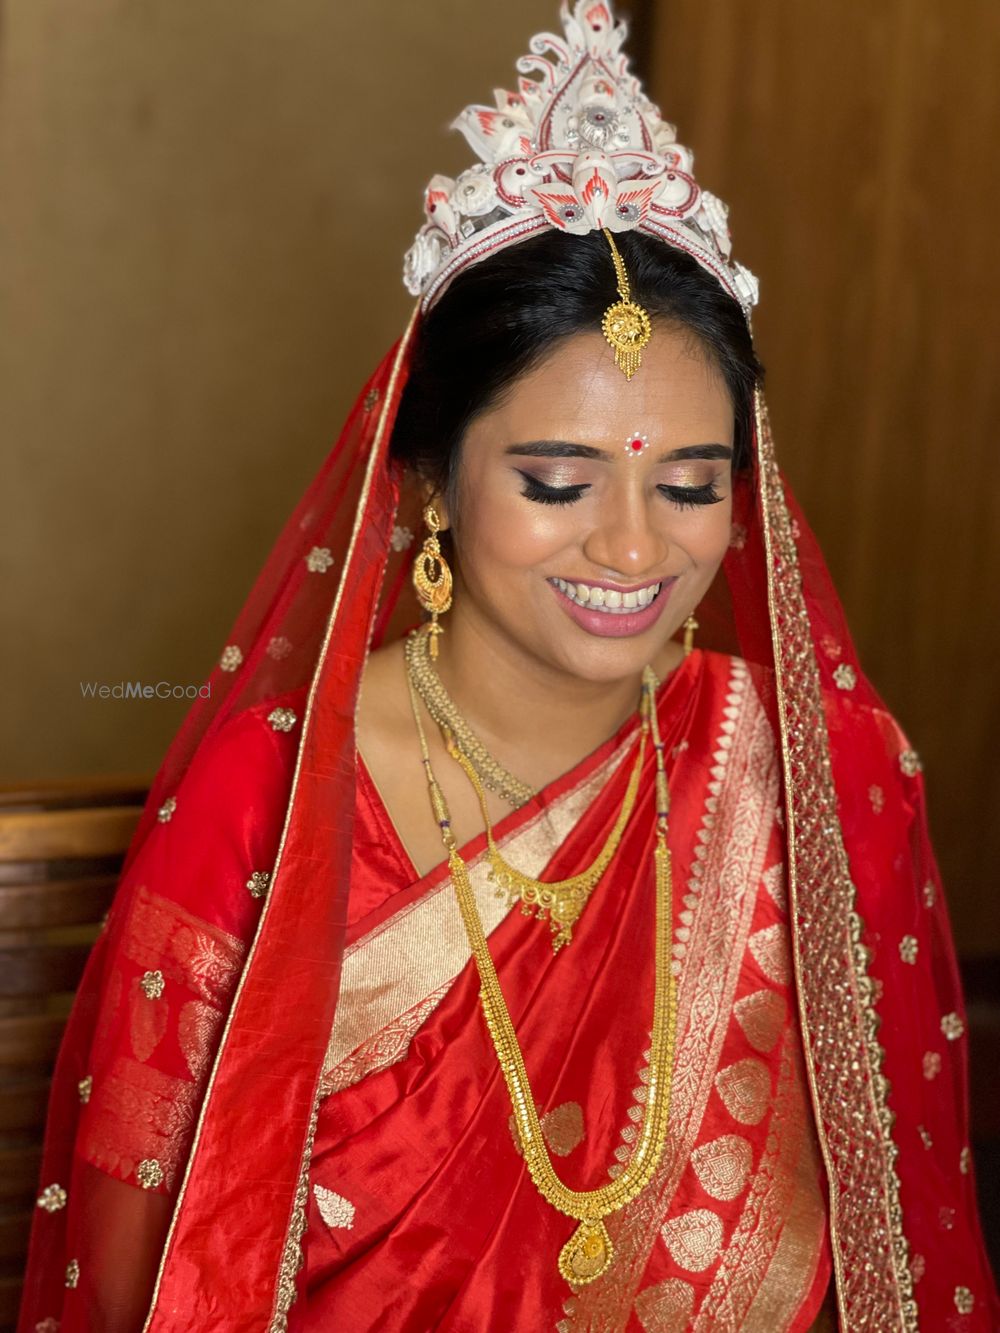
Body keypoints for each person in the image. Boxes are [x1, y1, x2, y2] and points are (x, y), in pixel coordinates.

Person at [18, 3, 998, 1329]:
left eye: (694, 483)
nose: (635, 542)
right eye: (555, 478)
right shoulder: (273, 800)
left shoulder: (808, 776)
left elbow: (891, 1239)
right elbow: (143, 1253)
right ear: (424, 479)